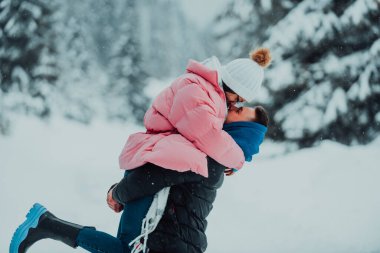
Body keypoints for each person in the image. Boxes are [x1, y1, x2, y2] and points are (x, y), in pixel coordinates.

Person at [10, 48, 272, 253]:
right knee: (123, 249)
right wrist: (236, 159)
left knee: (123, 248)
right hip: (151, 159)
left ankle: (45, 225)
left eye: (239, 105)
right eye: (238, 101)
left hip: (156, 161)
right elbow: (203, 135)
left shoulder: (210, 101)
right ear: (232, 86)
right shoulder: (198, 89)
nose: (234, 105)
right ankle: (45, 224)